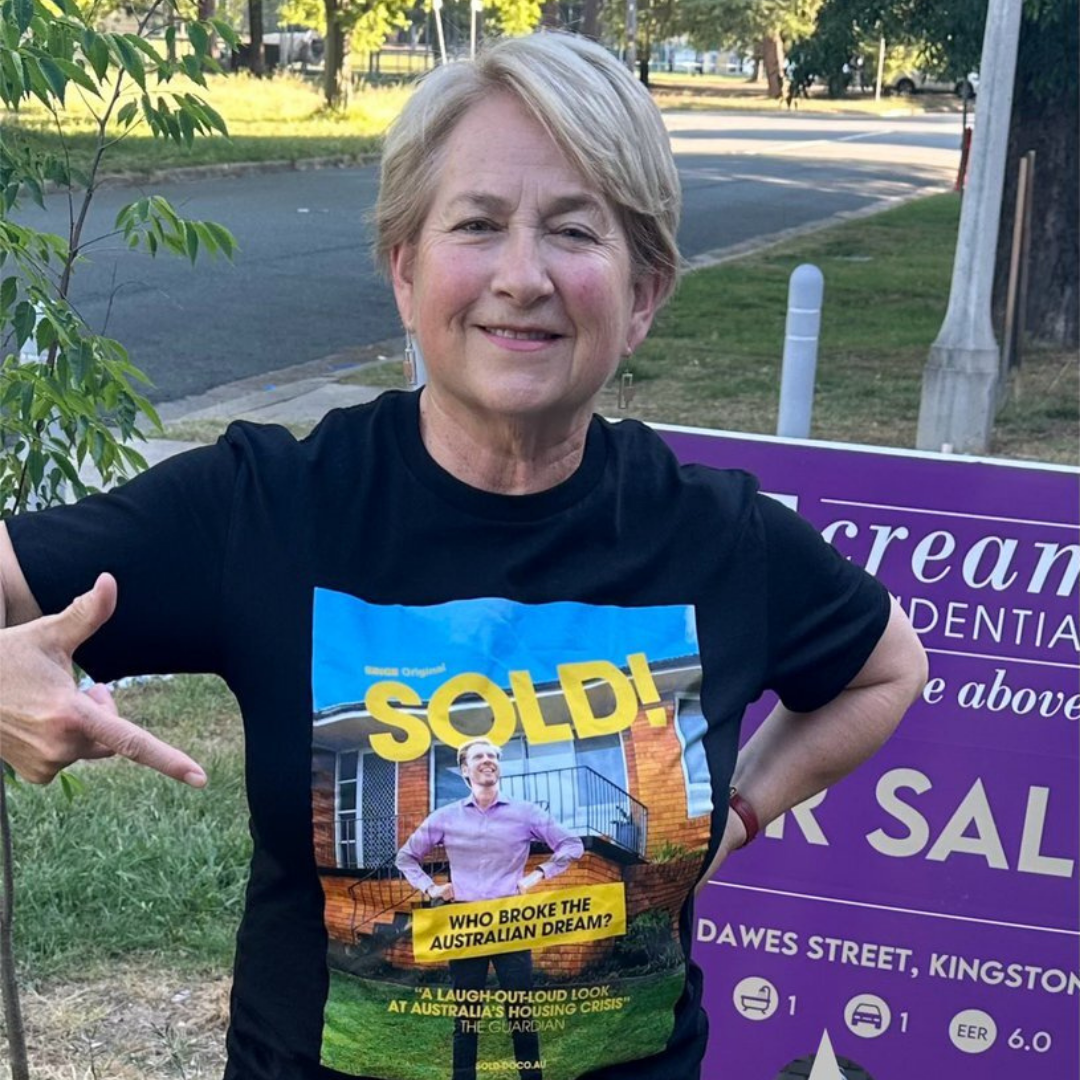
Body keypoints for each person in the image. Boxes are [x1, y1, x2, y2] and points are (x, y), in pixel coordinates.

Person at [0, 30, 927, 1080]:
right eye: (477, 225)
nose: (521, 277)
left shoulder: (722, 539)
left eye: (575, 232)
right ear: (406, 272)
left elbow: (889, 667)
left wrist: (747, 809)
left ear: (644, 294)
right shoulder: (268, 505)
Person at [396, 737, 583, 1080]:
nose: (487, 760)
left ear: (498, 765)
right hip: (465, 924)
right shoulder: (445, 817)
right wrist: (432, 887)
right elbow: (405, 857)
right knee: (466, 1015)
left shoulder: (526, 812)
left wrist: (537, 875)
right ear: (466, 770)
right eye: (478, 756)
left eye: (492, 756)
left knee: (521, 1013)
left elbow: (572, 845)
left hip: (511, 923)